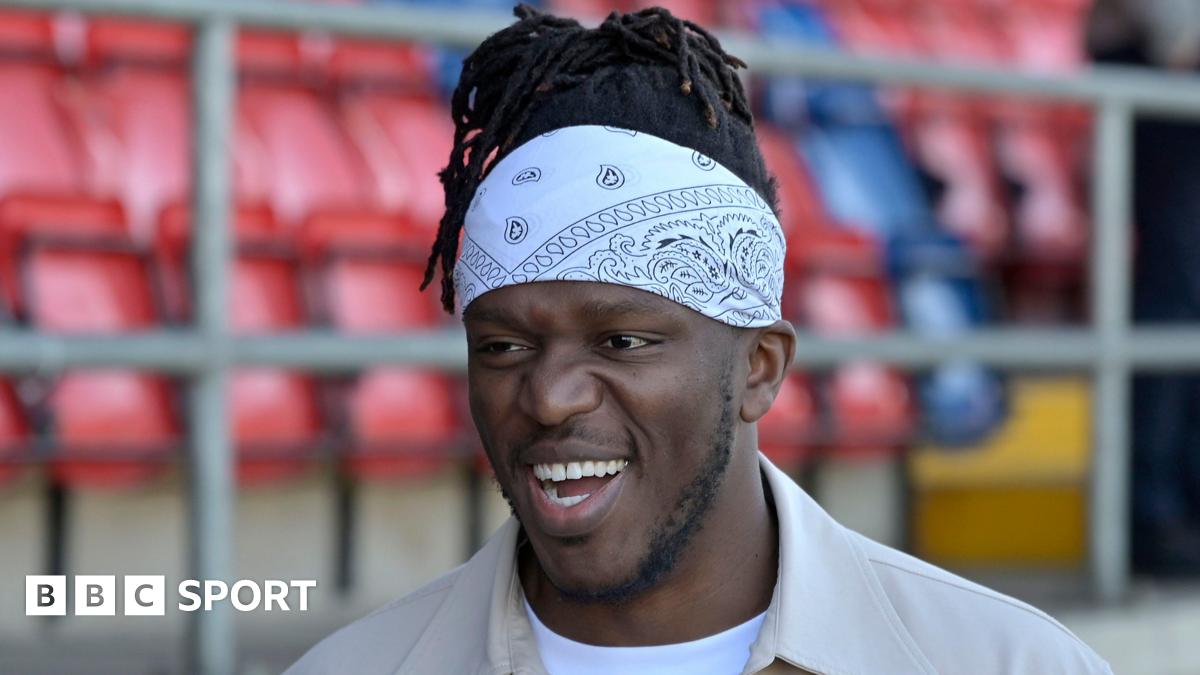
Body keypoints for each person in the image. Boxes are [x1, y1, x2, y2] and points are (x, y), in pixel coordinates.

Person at [289, 6, 1111, 673]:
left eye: (622, 341)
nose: (547, 396)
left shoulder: (1003, 661)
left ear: (760, 368)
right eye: (503, 346)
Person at [1088, 0, 1200, 575]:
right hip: (1157, 76)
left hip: (1170, 75)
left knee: (1185, 299)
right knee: (1176, 299)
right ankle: (1153, 515)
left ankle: (1175, 508)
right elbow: (1177, 44)